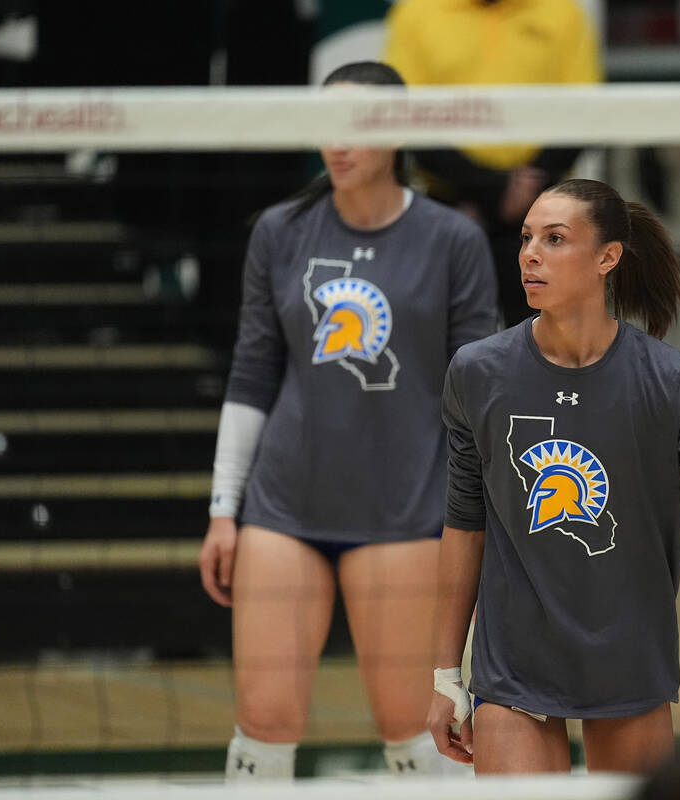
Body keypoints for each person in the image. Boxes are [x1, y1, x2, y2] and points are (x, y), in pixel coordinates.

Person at [426, 178, 680, 774]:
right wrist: (446, 673)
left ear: (607, 258)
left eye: (554, 239)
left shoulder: (669, 381)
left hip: (629, 665)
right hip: (515, 670)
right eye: (526, 238)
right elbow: (465, 522)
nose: (529, 254)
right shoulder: (478, 373)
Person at [197, 61, 498, 781]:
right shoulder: (280, 231)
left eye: (358, 126)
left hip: (405, 511)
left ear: (397, 134)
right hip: (284, 505)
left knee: (416, 732)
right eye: (327, 125)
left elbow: (482, 392)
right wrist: (222, 509)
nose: (339, 144)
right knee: (264, 726)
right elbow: (252, 372)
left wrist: (482, 519)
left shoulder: (452, 240)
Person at [382, 0, 603, 327]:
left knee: (551, 346)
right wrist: (488, 189)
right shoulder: (416, 12)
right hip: (452, 208)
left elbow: (585, 110)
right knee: (448, 346)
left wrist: (527, 186)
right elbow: (404, 114)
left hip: (546, 211)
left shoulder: (562, 11)